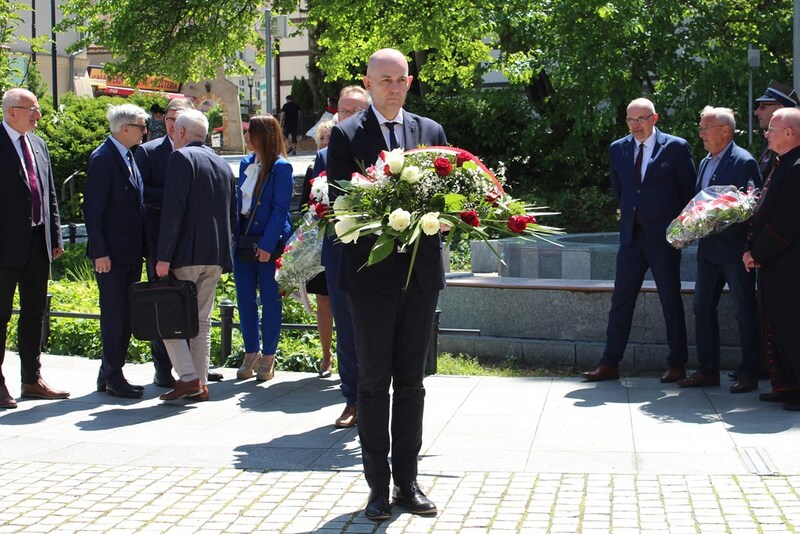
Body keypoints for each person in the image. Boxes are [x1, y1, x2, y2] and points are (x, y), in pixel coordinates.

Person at [327, 48, 447, 521]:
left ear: (409, 82)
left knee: (412, 384)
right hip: (370, 278)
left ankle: (408, 482)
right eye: (384, 79)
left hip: (419, 278)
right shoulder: (347, 134)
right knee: (374, 385)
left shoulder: (431, 132)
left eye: (401, 79)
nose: (393, 87)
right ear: (369, 82)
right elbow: (342, 203)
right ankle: (377, 487)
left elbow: (445, 195)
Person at [583, 98, 696, 383]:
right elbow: (620, 189)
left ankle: (677, 364)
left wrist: (679, 231)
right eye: (630, 120)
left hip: (664, 238)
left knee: (670, 300)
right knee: (621, 301)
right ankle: (610, 363)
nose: (635, 125)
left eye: (641, 119)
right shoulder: (618, 149)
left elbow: (689, 192)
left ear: (654, 118)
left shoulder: (675, 147)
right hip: (631, 237)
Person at [677, 107, 762, 393]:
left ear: (725, 131)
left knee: (744, 311)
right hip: (708, 251)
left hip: (735, 251)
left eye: (705, 127)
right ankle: (707, 370)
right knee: (702, 308)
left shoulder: (744, 161)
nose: (700, 133)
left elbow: (752, 205)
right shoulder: (704, 162)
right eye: (700, 127)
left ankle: (750, 372)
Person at [154, 109, 236, 401]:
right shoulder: (223, 165)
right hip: (215, 254)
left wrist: (163, 255)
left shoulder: (180, 158)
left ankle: (189, 379)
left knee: (168, 317)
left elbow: (173, 210)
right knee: (202, 320)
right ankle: (200, 382)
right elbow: (231, 214)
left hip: (186, 253)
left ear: (181, 133)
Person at [0, 88, 68, 409]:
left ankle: (31, 379)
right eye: (32, 109)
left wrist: (54, 238)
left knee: (33, 312)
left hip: (37, 243)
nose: (38, 116)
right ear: (12, 111)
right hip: (4, 247)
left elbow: (49, 193)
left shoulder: (38, 145)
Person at [315, 85, 371, 428]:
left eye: (355, 112)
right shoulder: (323, 156)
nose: (347, 117)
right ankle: (352, 400)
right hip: (339, 253)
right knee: (348, 331)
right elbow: (317, 207)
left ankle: (379, 397)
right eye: (343, 111)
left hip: (379, 255)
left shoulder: (383, 150)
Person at [85, 103, 149, 399]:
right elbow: (93, 210)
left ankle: (107, 372)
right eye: (140, 126)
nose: (144, 131)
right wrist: (100, 251)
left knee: (124, 313)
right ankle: (114, 376)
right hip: (111, 255)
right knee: (115, 315)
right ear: (124, 129)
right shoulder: (103, 158)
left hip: (130, 251)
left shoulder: (127, 155)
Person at [135, 98, 195, 388]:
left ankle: (194, 369)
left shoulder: (198, 151)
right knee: (162, 302)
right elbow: (143, 192)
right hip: (159, 242)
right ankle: (163, 368)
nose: (174, 122)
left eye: (180, 117)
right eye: (170, 117)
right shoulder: (147, 153)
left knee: (191, 303)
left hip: (192, 242)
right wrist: (177, 195)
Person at [743, 107, 800, 411]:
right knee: (777, 323)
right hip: (774, 261)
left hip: (790, 263)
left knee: (792, 325)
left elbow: (784, 223)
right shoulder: (782, 163)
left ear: (789, 133)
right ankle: (788, 385)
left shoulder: (797, 166)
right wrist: (750, 247)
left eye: (771, 130)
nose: (766, 134)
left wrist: (756, 252)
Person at [232, 115, 293, 382]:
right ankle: (250, 353)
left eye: (250, 133)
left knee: (270, 301)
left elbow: (281, 210)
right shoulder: (246, 162)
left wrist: (268, 245)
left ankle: (268, 356)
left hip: (269, 241)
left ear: (263, 136)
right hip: (244, 240)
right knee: (244, 299)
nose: (246, 137)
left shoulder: (281, 168)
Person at [299, 119, 334, 378]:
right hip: (319, 242)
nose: (325, 145)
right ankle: (326, 354)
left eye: (329, 139)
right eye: (322, 139)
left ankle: (348, 353)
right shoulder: (314, 168)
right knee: (323, 300)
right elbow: (304, 206)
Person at [753, 81, 799, 177]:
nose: (756, 112)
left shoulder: (789, 146)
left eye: (762, 107)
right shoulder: (769, 141)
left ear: (780, 109)